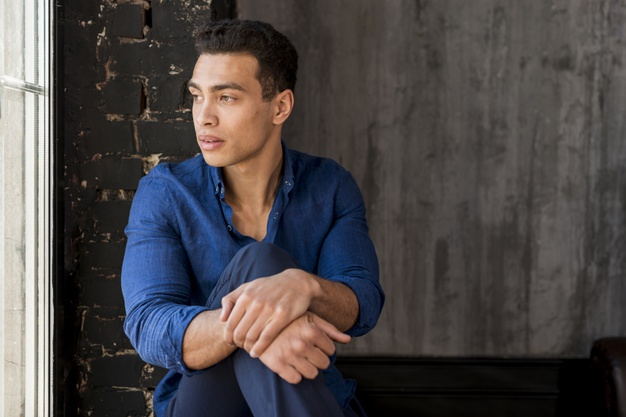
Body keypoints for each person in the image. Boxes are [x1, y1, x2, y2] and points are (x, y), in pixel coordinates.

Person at [121, 19, 384, 417]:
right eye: (197, 96)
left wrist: (305, 287)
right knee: (263, 264)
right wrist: (260, 321)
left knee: (265, 264)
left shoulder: (330, 186)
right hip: (203, 403)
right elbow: (149, 323)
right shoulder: (166, 193)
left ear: (280, 106)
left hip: (310, 391)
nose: (203, 117)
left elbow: (362, 302)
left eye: (225, 98)